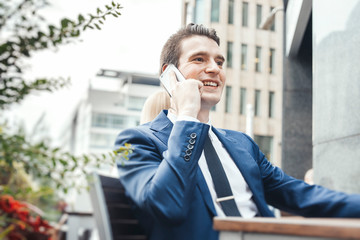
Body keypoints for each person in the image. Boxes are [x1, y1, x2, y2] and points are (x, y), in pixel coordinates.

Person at [114, 23, 360, 240]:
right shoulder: (137, 141)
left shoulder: (241, 144)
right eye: (199, 59)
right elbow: (167, 206)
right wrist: (187, 117)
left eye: (219, 62)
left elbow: (300, 195)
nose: (214, 69)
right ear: (169, 74)